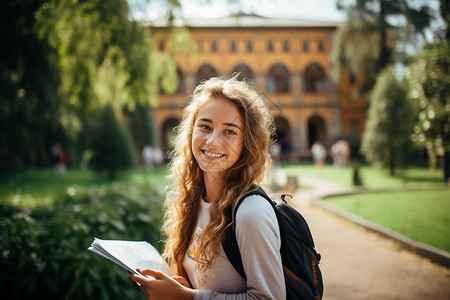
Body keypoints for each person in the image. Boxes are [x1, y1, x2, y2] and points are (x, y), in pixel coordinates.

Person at [130, 76, 285, 300]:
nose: (212, 140)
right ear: (192, 131)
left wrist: (187, 297)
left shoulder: (251, 214)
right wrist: (186, 288)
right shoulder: (193, 200)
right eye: (205, 126)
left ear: (247, 142)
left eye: (229, 131)